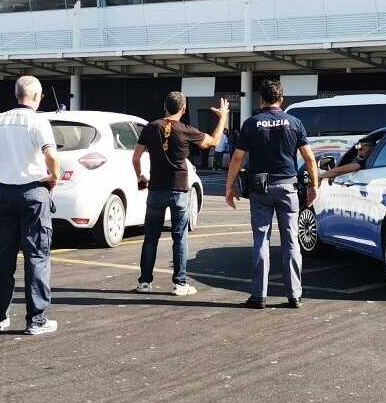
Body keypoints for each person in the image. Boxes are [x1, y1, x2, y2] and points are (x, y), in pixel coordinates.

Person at [0, 76, 61, 335]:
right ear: (38, 96)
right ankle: (36, 320)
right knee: (37, 256)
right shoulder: (38, 121)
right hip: (33, 194)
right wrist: (54, 177)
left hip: (4, 194)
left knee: (2, 257)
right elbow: (51, 154)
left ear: (16, 94)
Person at [225, 79, 319, 309]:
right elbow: (308, 158)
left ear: (260, 99)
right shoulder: (294, 122)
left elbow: (237, 157)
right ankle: (294, 295)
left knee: (261, 241)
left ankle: (259, 296)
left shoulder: (251, 123)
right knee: (291, 241)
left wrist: (229, 186)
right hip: (288, 187)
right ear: (281, 99)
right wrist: (314, 185)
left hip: (261, 188)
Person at [132, 91, 229, 296]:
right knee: (180, 237)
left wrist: (140, 176)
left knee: (150, 238)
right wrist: (223, 118)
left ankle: (145, 282)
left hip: (156, 189)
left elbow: (136, 157)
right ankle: (180, 283)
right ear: (183, 109)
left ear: (165, 106)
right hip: (179, 189)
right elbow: (213, 141)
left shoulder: (151, 127)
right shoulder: (186, 130)